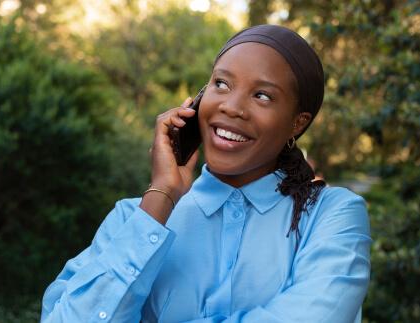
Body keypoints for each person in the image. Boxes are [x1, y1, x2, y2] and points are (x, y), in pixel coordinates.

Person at [41, 25, 371, 323]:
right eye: (222, 84)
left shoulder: (332, 216)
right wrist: (162, 194)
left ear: (297, 123)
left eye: (262, 95)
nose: (231, 107)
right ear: (199, 99)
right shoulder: (133, 220)